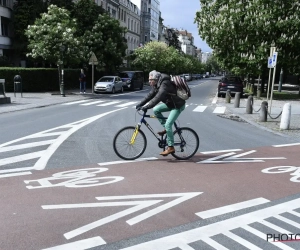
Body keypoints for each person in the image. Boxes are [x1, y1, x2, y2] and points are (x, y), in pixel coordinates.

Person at [136, 70, 186, 156]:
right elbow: (150, 95)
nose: (149, 81)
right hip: (171, 104)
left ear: (156, 79)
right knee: (156, 110)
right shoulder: (157, 85)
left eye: (151, 80)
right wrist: (140, 104)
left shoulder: (164, 83)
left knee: (168, 124)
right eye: (149, 79)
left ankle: (171, 147)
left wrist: (147, 107)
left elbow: (158, 97)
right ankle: (167, 129)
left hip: (178, 105)